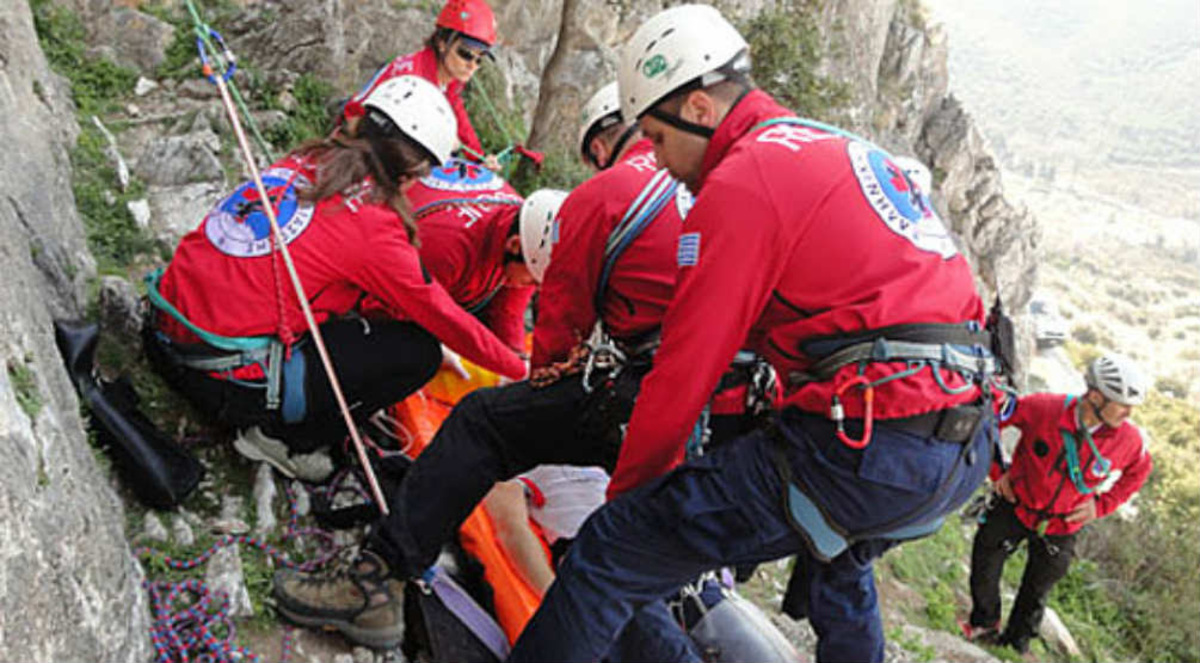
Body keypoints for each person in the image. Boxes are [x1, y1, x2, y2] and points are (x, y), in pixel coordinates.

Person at [507, 6, 1001, 662]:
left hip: (863, 444)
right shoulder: (839, 148)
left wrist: (629, 500)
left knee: (611, 549)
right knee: (839, 557)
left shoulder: (744, 181)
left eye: (656, 136)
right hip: (960, 441)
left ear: (701, 107)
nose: (657, 159)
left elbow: (686, 368)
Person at [270, 80, 712, 657]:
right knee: (614, 553)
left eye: (595, 154)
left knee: (489, 430)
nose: (598, 165)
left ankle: (374, 580)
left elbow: (553, 326)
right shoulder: (722, 182)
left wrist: (535, 378)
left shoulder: (613, 193)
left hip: (652, 390)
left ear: (618, 130)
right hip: (727, 408)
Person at [144, 76, 526, 483]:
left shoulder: (311, 160)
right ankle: (279, 440)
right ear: (413, 168)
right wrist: (521, 371)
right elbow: (443, 316)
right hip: (212, 375)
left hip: (165, 322)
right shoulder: (375, 228)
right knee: (418, 353)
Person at [963, 353, 1152, 653]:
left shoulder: (1129, 440)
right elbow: (993, 419)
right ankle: (985, 623)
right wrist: (998, 470)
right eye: (1123, 403)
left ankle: (1016, 643)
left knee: (1038, 586)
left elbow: (1139, 471)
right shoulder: (1044, 408)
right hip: (1017, 505)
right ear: (1095, 396)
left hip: (1064, 523)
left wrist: (1101, 505)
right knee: (986, 561)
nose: (1129, 413)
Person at [361, 157, 535, 364]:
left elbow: (507, 313)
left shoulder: (526, 234)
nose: (535, 287)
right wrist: (443, 344)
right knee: (420, 356)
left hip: (449, 278)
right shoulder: (447, 248)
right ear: (515, 246)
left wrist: (515, 359)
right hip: (383, 277)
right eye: (533, 282)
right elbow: (383, 306)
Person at [343, 0, 499, 166]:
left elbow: (457, 112)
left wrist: (479, 159)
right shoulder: (410, 77)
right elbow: (358, 120)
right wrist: (444, 140)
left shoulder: (450, 78)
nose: (472, 66)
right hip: (361, 142)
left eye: (480, 59)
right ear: (442, 44)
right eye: (465, 54)